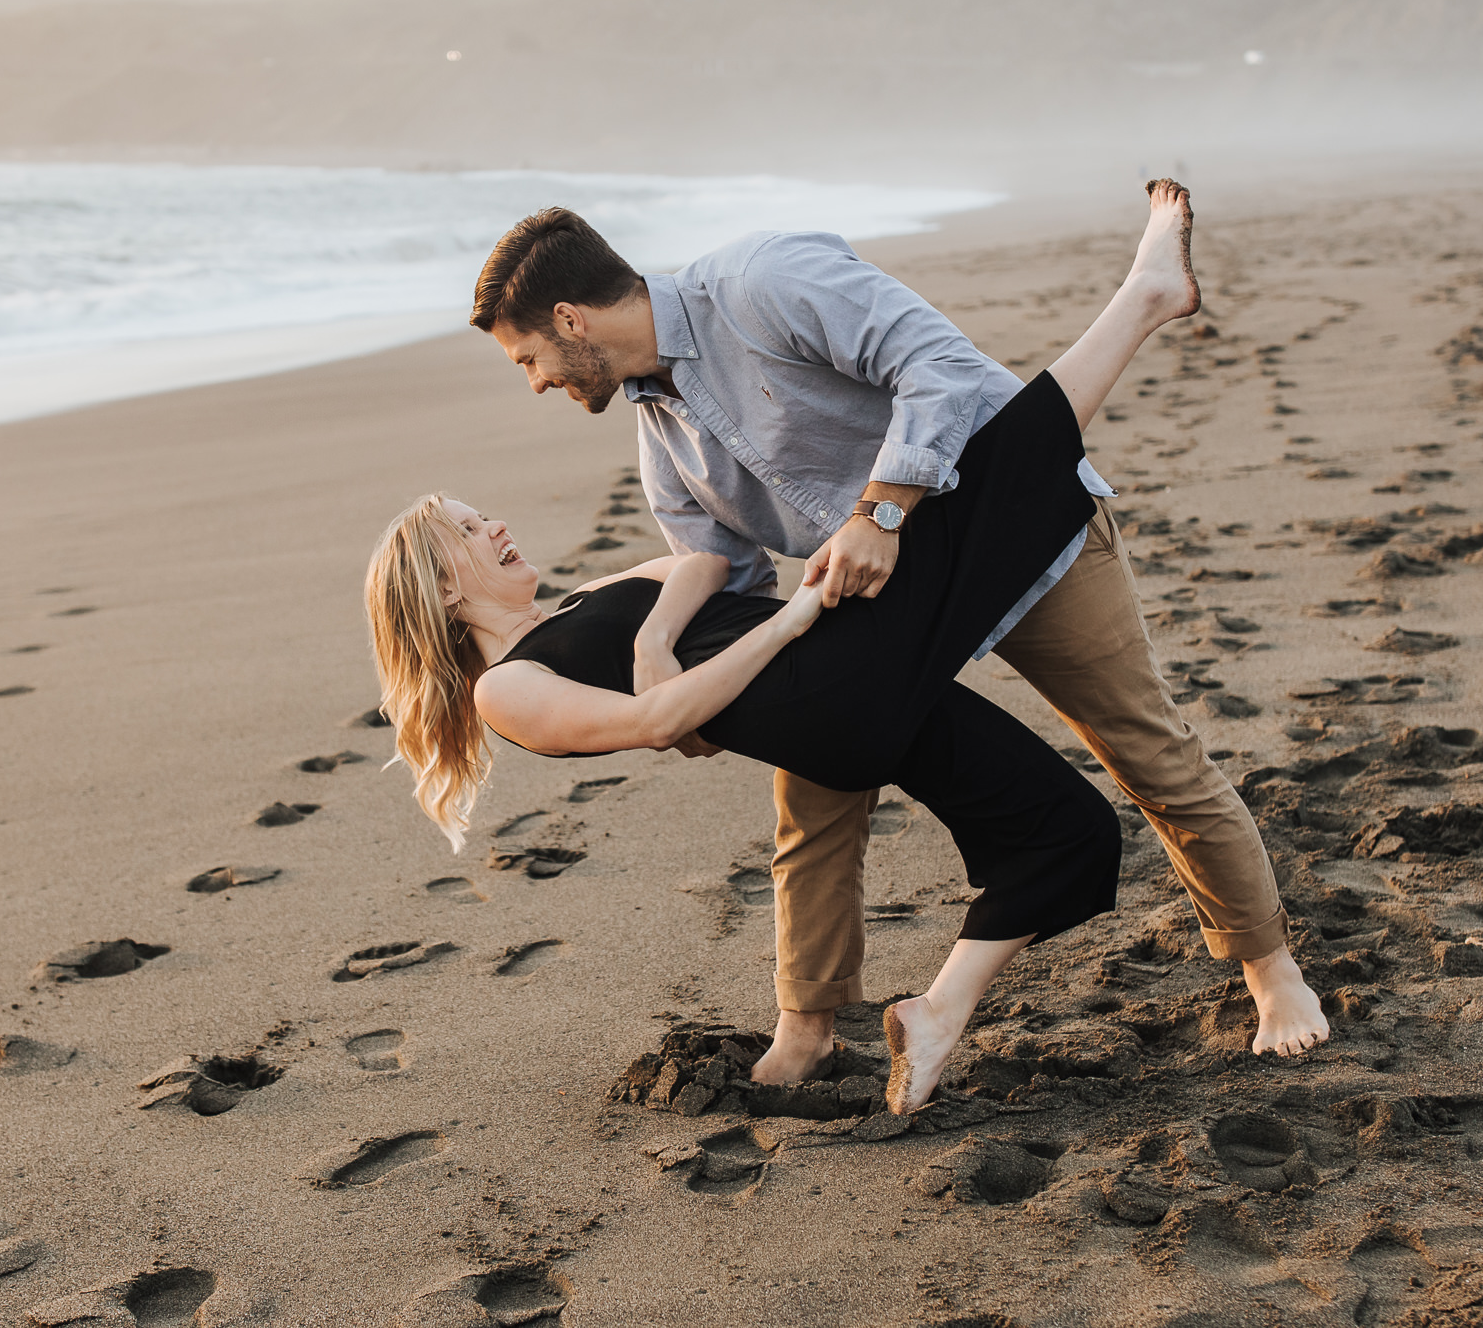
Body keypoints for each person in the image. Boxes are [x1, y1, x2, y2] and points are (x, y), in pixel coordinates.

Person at [368, 189, 1320, 1112]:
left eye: (530, 356)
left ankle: (1268, 967)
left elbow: (942, 369)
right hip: (863, 619)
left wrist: (882, 511)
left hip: (1015, 545)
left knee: (1149, 753)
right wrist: (676, 670)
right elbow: (719, 573)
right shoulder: (661, 436)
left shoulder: (762, 282)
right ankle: (807, 1029)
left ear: (570, 319)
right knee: (812, 811)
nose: (536, 381)